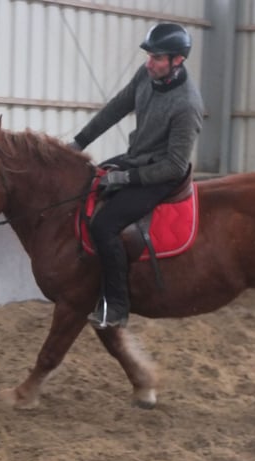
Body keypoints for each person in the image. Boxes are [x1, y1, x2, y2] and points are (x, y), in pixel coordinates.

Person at [68, 22, 204, 329]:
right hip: (137, 159)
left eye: (156, 58)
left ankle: (116, 305)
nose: (149, 63)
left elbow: (175, 167)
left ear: (177, 61)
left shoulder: (187, 105)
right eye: (149, 56)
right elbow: (116, 108)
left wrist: (122, 179)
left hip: (162, 175)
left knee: (104, 225)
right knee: (87, 185)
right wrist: (79, 143)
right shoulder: (147, 75)